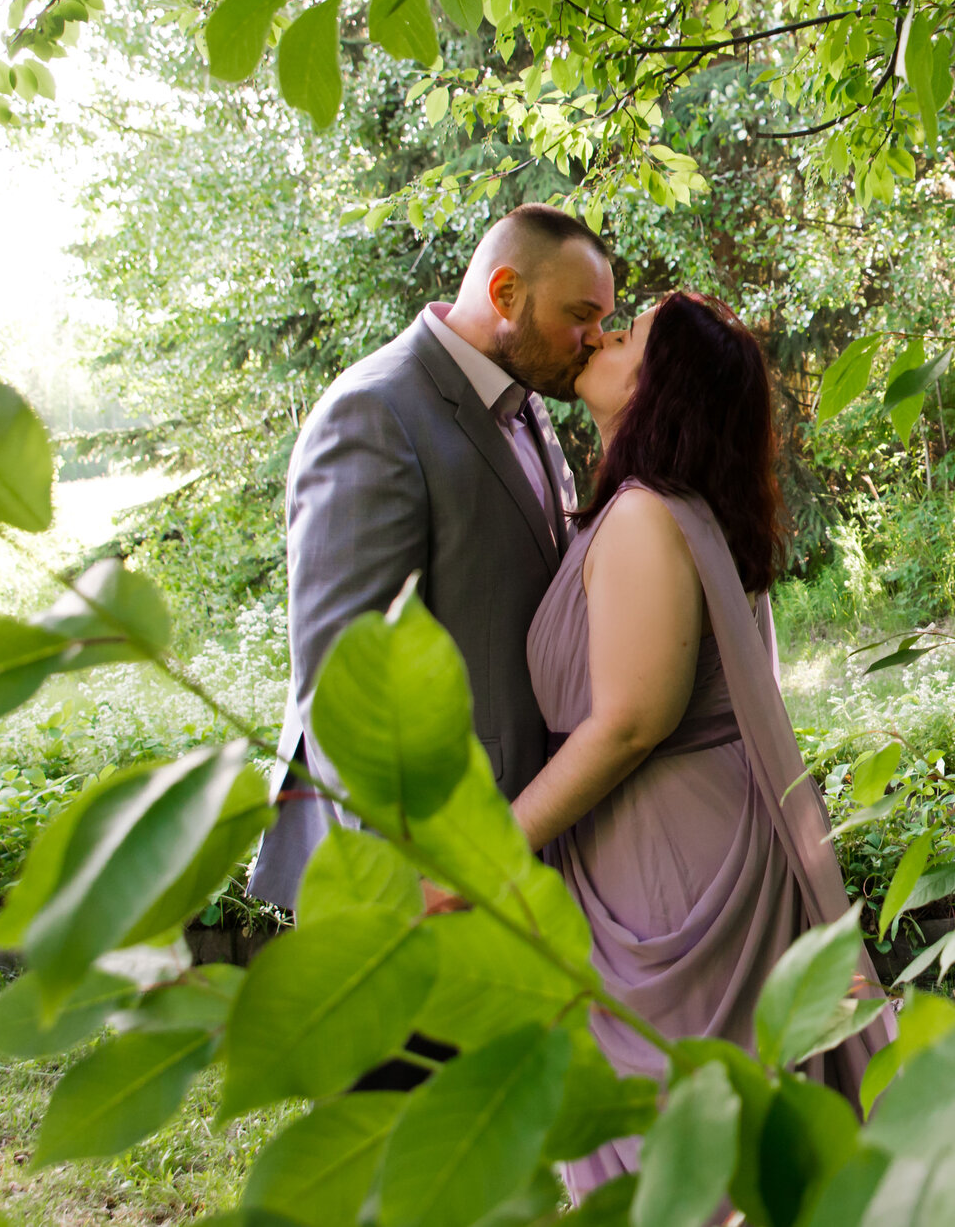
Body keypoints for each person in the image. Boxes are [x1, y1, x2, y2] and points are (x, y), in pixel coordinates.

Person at [513, 292, 891, 1195]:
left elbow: (632, 720)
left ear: (661, 383)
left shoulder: (649, 515)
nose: (603, 333)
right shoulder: (663, 507)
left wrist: (488, 848)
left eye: (629, 330)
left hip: (674, 871)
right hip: (670, 842)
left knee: (685, 1150)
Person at [246, 204, 617, 911]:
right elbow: (343, 676)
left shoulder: (528, 407)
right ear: (506, 294)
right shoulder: (373, 414)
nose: (595, 340)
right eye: (581, 315)